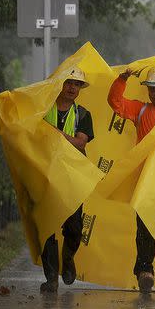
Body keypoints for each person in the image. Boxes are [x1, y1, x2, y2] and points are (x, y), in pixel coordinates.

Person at [107, 64, 155, 293]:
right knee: (145, 227)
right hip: (145, 181)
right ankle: (144, 271)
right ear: (148, 91)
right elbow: (116, 103)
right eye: (153, 89)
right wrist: (121, 80)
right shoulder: (140, 111)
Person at [40, 68, 95, 293]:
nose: (72, 88)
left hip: (73, 177)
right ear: (60, 85)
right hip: (46, 174)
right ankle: (51, 278)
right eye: (69, 83)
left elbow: (80, 143)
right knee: (47, 228)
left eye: (77, 85)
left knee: (74, 226)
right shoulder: (43, 110)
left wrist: (54, 134)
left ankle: (69, 256)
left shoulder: (83, 114)